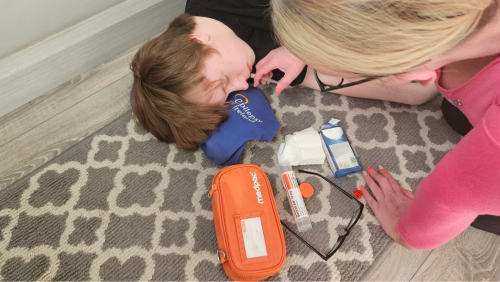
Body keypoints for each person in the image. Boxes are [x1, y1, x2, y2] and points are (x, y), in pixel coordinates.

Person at [254, 0, 500, 249]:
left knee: (472, 209)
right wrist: (313, 42)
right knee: (455, 113)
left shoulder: (491, 150)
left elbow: (422, 232)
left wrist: (403, 226)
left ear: (411, 76)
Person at [130, 0, 438, 150]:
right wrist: (308, 55)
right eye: (227, 95)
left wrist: (307, 41)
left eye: (224, 80)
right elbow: (419, 88)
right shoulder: (251, 60)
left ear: (195, 41)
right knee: (421, 83)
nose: (242, 84)